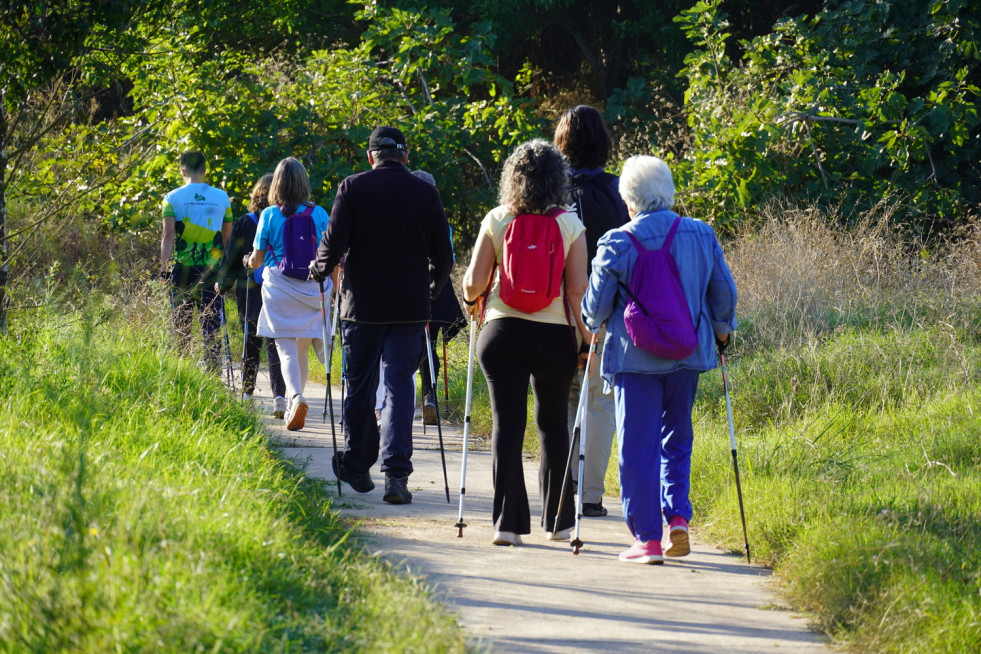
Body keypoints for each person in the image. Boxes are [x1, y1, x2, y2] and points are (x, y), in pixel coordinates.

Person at [581, 155, 737, 564]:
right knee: (677, 440)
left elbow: (594, 310)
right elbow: (724, 293)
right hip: (687, 356)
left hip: (636, 360)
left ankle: (648, 538)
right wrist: (721, 331)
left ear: (628, 198)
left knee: (637, 448)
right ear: (667, 191)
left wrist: (590, 321)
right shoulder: (702, 234)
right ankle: (679, 518)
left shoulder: (617, 241)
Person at [310, 126, 453, 505]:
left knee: (359, 385)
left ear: (370, 156)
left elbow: (333, 242)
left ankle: (357, 464)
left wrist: (318, 270)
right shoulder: (425, 192)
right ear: (405, 156)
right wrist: (433, 291)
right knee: (399, 385)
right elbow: (445, 256)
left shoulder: (353, 187)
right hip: (409, 307)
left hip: (362, 308)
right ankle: (396, 475)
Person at [461, 139, 592, 546]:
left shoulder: (497, 218)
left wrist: (470, 299)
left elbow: (474, 282)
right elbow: (577, 292)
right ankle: (560, 523)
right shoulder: (571, 223)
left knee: (508, 424)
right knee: (553, 425)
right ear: (558, 180)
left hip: (503, 333)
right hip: (554, 337)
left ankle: (507, 525)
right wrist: (587, 342)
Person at [553, 104, 630, 518]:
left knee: (561, 398)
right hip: (608, 313)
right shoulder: (619, 193)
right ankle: (590, 496)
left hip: (552, 311)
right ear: (603, 144)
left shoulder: (549, 193)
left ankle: (560, 485)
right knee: (599, 402)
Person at [247, 157, 331, 431]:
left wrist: (248, 261)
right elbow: (329, 256)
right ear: (304, 182)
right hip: (311, 289)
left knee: (286, 351)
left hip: (280, 288)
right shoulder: (319, 214)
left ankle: (295, 396)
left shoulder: (269, 215)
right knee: (302, 351)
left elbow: (258, 261)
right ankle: (297, 400)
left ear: (278, 184)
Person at [217, 174, 288, 415]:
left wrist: (223, 285)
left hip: (251, 292)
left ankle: (247, 395)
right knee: (275, 345)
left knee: (251, 344)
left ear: (256, 195)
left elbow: (231, 259)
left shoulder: (245, 223)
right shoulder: (286, 219)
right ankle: (280, 396)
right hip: (279, 290)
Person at [159, 151, 233, 368]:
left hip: (183, 268)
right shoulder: (221, 197)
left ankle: (181, 369)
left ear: (182, 171)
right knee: (211, 322)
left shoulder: (171, 198)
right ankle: (213, 371)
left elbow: (168, 235)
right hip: (212, 269)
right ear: (204, 171)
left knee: (181, 322)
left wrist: (164, 270)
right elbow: (228, 236)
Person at [412, 169, 466, 426]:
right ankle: (429, 396)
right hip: (436, 290)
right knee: (429, 343)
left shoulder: (402, 218)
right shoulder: (443, 224)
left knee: (401, 343)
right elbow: (451, 264)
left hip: (406, 288)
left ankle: (397, 399)